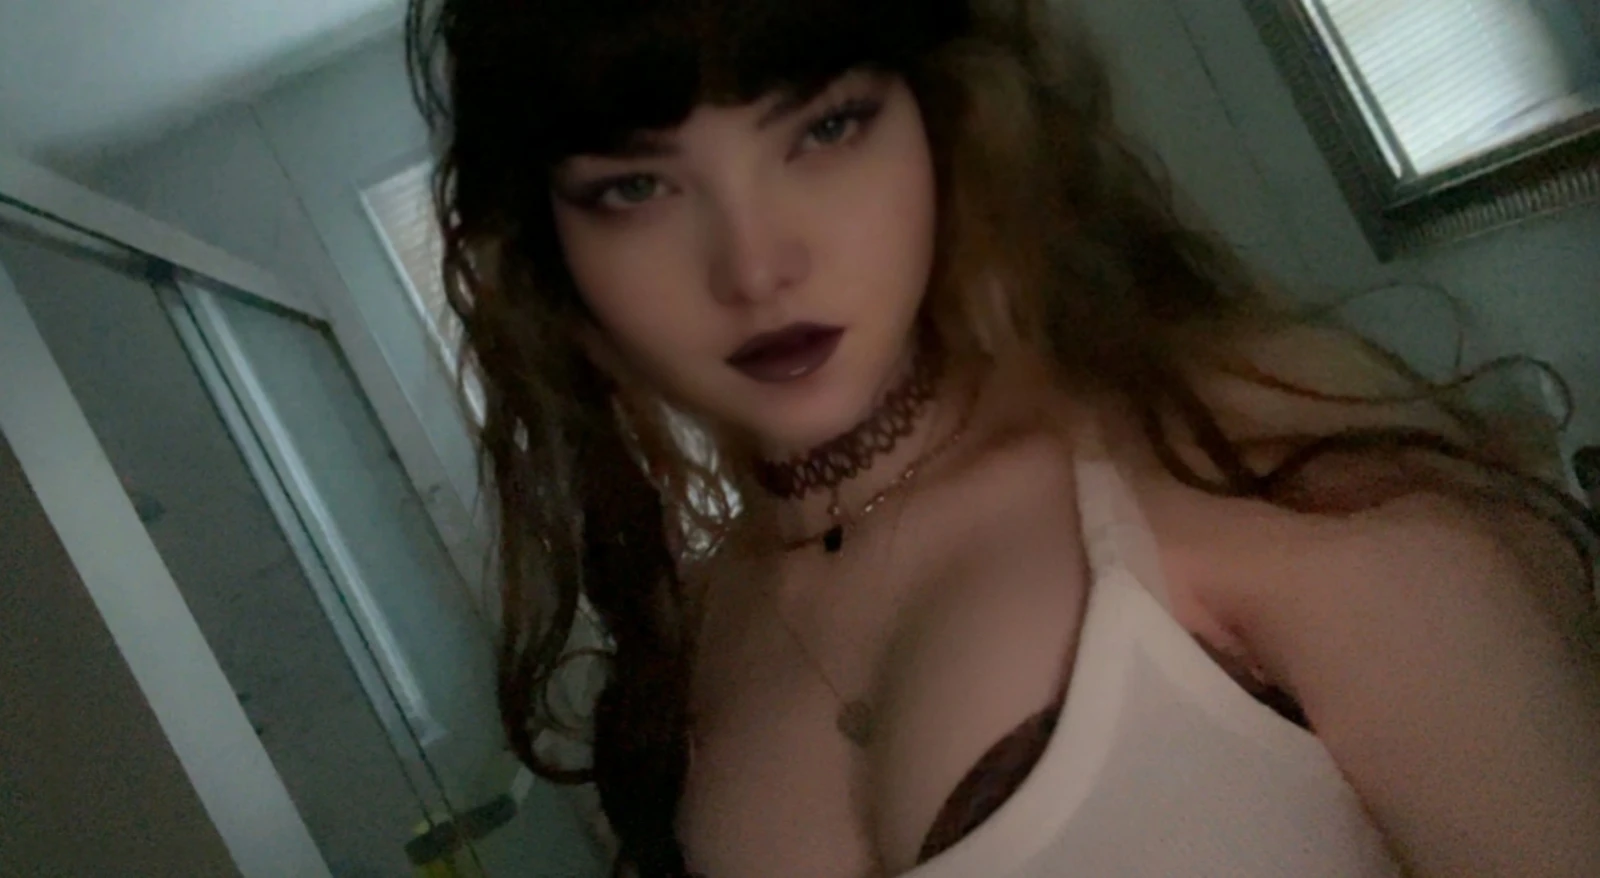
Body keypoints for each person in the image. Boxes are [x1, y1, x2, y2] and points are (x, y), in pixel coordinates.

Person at [404, 1, 1600, 875]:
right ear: (548, 250)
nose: (755, 264)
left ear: (947, 118)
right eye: (634, 188)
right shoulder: (691, 644)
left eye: (825, 128)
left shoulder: (1247, 476)